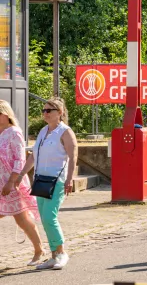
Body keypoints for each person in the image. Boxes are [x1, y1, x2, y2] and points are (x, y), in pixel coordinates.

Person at [17, 98, 78, 270]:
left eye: (49, 110)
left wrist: (69, 179)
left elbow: (73, 156)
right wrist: (22, 174)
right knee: (44, 218)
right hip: (41, 180)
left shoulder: (65, 132)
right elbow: (33, 155)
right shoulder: (43, 131)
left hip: (56, 180)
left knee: (50, 217)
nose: (45, 113)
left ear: (60, 112)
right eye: (43, 110)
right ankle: (53, 256)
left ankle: (61, 253)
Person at [0, 100, 44, 267]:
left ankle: (39, 250)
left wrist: (11, 182)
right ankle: (39, 249)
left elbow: (20, 159)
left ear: (5, 114)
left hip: (12, 182)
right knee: (21, 218)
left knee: (21, 218)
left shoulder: (14, 132)